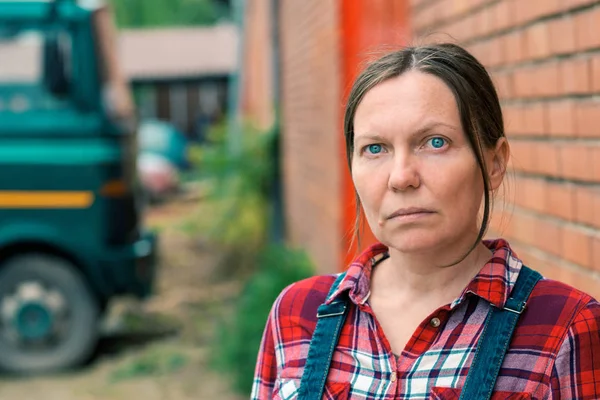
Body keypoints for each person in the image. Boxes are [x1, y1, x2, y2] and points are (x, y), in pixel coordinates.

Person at [251, 43, 600, 400]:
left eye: (435, 142)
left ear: (494, 163)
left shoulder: (564, 328)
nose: (401, 177)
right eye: (375, 148)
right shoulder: (297, 315)